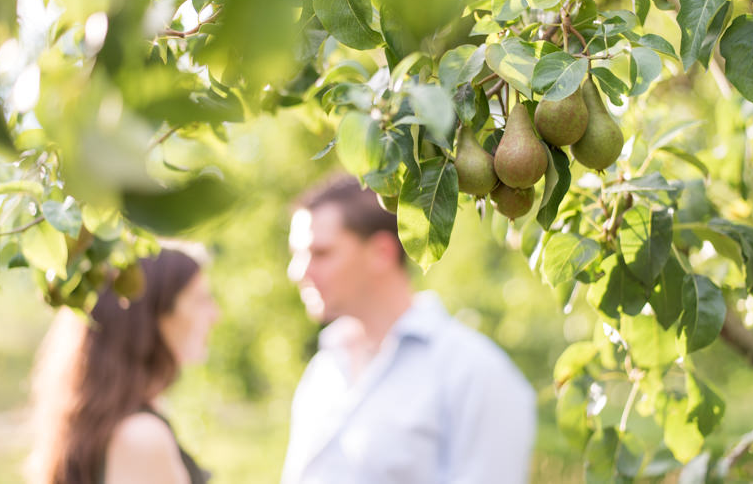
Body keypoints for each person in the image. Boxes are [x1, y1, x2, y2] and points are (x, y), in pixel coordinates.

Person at [282, 175, 536, 484]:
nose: (297, 272)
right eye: (296, 254)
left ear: (381, 252)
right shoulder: (323, 371)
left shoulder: (475, 373)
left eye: (320, 253)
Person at [26, 248, 219, 484]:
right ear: (152, 317)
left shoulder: (120, 423)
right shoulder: (141, 437)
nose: (214, 315)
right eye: (199, 300)